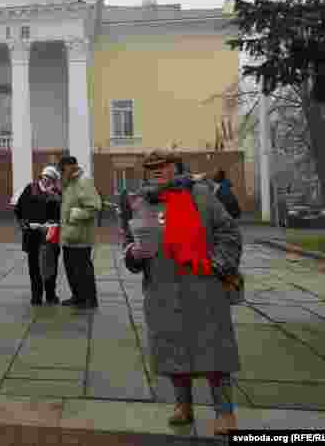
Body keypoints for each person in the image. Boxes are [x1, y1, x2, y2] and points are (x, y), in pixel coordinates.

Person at [121, 150, 242, 436]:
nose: (157, 171)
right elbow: (128, 241)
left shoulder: (201, 195)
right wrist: (134, 253)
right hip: (161, 288)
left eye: (163, 165)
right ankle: (183, 405)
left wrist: (218, 264)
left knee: (214, 349)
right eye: (151, 167)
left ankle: (224, 413)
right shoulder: (142, 202)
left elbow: (229, 233)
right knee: (172, 348)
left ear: (176, 167)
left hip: (203, 286)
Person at [13, 165, 63, 305]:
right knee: (34, 266)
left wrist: (51, 224)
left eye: (50, 179)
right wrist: (27, 225)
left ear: (54, 180)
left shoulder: (57, 193)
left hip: (50, 235)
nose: (46, 180)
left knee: (50, 266)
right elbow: (19, 209)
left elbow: (61, 214)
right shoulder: (30, 189)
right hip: (32, 235)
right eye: (45, 177)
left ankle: (51, 295)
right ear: (41, 176)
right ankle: (36, 296)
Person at [58, 155, 102, 309]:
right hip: (68, 235)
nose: (62, 173)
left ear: (69, 168)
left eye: (63, 170)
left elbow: (95, 206)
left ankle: (90, 299)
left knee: (83, 269)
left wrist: (75, 214)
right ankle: (77, 297)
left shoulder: (83, 181)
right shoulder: (69, 183)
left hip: (81, 235)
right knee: (71, 269)